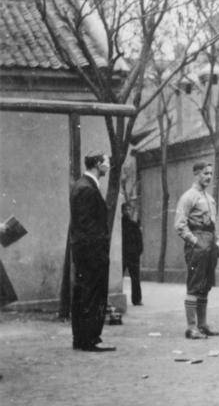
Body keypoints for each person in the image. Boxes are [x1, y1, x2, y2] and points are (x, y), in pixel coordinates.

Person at [69, 151, 116, 352]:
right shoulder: (88, 189)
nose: (109, 166)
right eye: (107, 162)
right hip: (92, 253)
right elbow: (89, 226)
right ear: (97, 164)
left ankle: (81, 338)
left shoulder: (81, 186)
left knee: (83, 293)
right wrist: (100, 251)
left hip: (84, 252)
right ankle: (89, 339)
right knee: (91, 294)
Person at [175, 161, 219, 339]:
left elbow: (213, 225)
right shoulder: (189, 197)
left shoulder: (210, 198)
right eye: (205, 173)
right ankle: (191, 327)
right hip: (197, 243)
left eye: (211, 174)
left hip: (210, 244)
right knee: (195, 285)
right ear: (196, 174)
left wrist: (217, 244)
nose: (209, 177)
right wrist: (195, 241)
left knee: (205, 285)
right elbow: (180, 225)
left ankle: (203, 325)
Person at [121, 202, 143, 306]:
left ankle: (137, 299)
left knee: (135, 279)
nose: (127, 212)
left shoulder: (134, 225)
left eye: (129, 209)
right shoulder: (120, 225)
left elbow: (139, 240)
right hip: (123, 255)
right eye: (125, 209)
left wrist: (138, 252)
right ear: (122, 211)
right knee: (119, 276)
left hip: (133, 256)